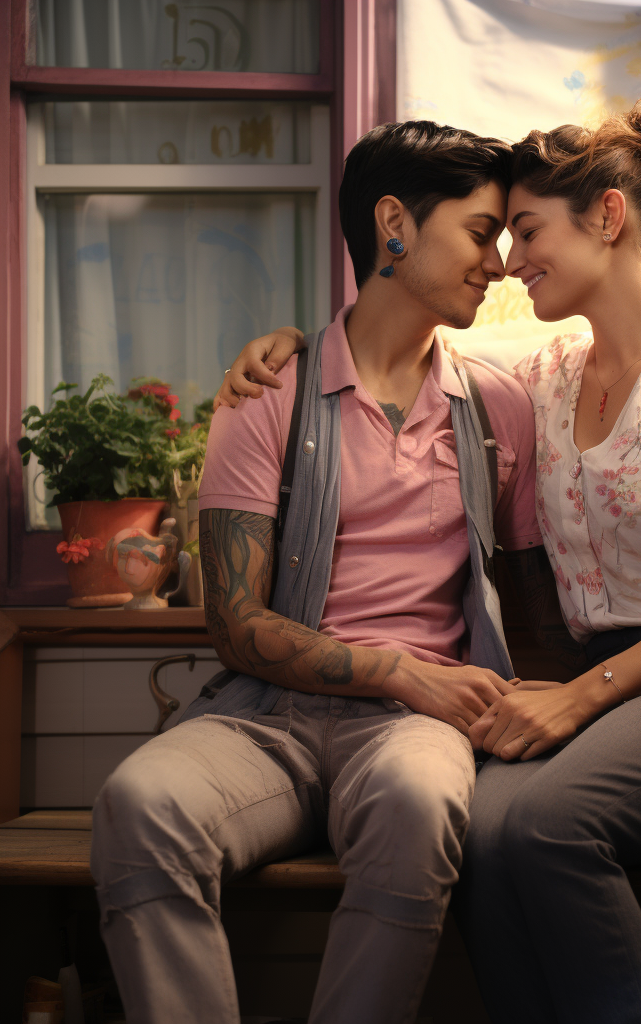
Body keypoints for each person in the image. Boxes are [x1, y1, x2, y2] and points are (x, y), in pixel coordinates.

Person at [224, 95, 641, 1024]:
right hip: (621, 690)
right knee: (480, 825)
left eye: (525, 229)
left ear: (607, 216)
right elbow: (393, 339)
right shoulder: (543, 378)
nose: (507, 260)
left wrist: (586, 693)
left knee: (549, 824)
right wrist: (282, 347)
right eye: (499, 234)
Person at [90, 120, 551, 1024]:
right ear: (394, 224)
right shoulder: (271, 393)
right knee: (138, 804)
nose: (498, 261)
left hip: (416, 729)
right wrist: (392, 666)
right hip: (268, 718)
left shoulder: (500, 405)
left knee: (421, 803)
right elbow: (233, 622)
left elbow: (539, 597)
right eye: (479, 231)